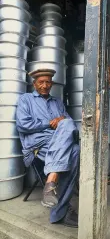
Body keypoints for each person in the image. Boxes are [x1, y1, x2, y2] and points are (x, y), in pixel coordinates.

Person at [16, 69, 80, 228]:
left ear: (52, 83)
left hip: (58, 143)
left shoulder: (57, 102)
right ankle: (60, 211)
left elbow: (70, 125)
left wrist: (62, 119)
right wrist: (51, 123)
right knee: (74, 151)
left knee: (72, 141)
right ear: (34, 83)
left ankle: (51, 180)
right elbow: (23, 125)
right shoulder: (26, 99)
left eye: (48, 82)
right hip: (38, 145)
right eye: (41, 82)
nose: (45, 85)